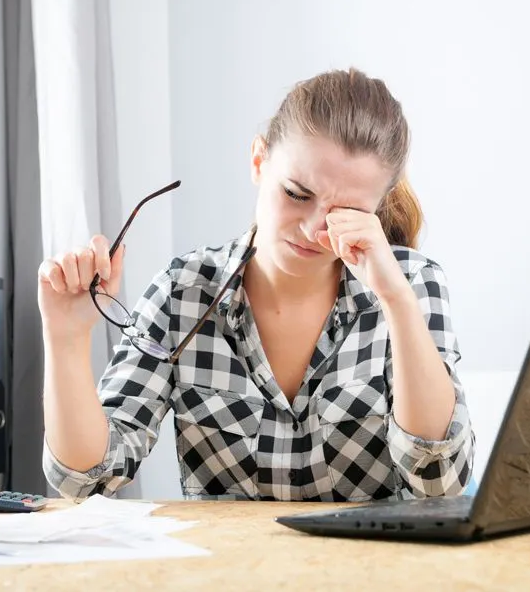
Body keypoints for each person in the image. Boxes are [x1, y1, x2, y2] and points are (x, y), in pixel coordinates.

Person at [38, 67, 475, 502]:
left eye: (347, 213)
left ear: (378, 207)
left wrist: (396, 301)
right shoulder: (184, 292)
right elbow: (86, 480)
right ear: (258, 161)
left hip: (374, 567)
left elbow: (439, 481)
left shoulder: (413, 283)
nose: (311, 228)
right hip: (229, 570)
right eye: (296, 194)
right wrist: (67, 340)